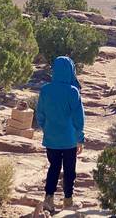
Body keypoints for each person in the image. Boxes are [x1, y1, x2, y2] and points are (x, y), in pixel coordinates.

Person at [36, 56, 85, 212]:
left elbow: (40, 114)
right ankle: (68, 200)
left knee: (54, 168)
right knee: (69, 170)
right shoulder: (73, 91)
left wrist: (47, 129)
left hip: (51, 139)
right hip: (69, 139)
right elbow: (79, 118)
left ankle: (49, 199)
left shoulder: (45, 90)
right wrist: (80, 138)